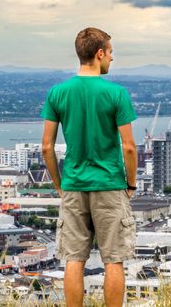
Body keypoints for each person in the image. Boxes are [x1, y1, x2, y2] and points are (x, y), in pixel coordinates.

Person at [41, 27, 137, 307]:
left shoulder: (58, 93)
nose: (111, 59)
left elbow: (47, 147)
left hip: (73, 184)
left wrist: (60, 185)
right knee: (113, 259)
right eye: (110, 53)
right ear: (99, 54)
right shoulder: (117, 93)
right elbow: (129, 147)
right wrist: (130, 183)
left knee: (74, 258)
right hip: (109, 185)